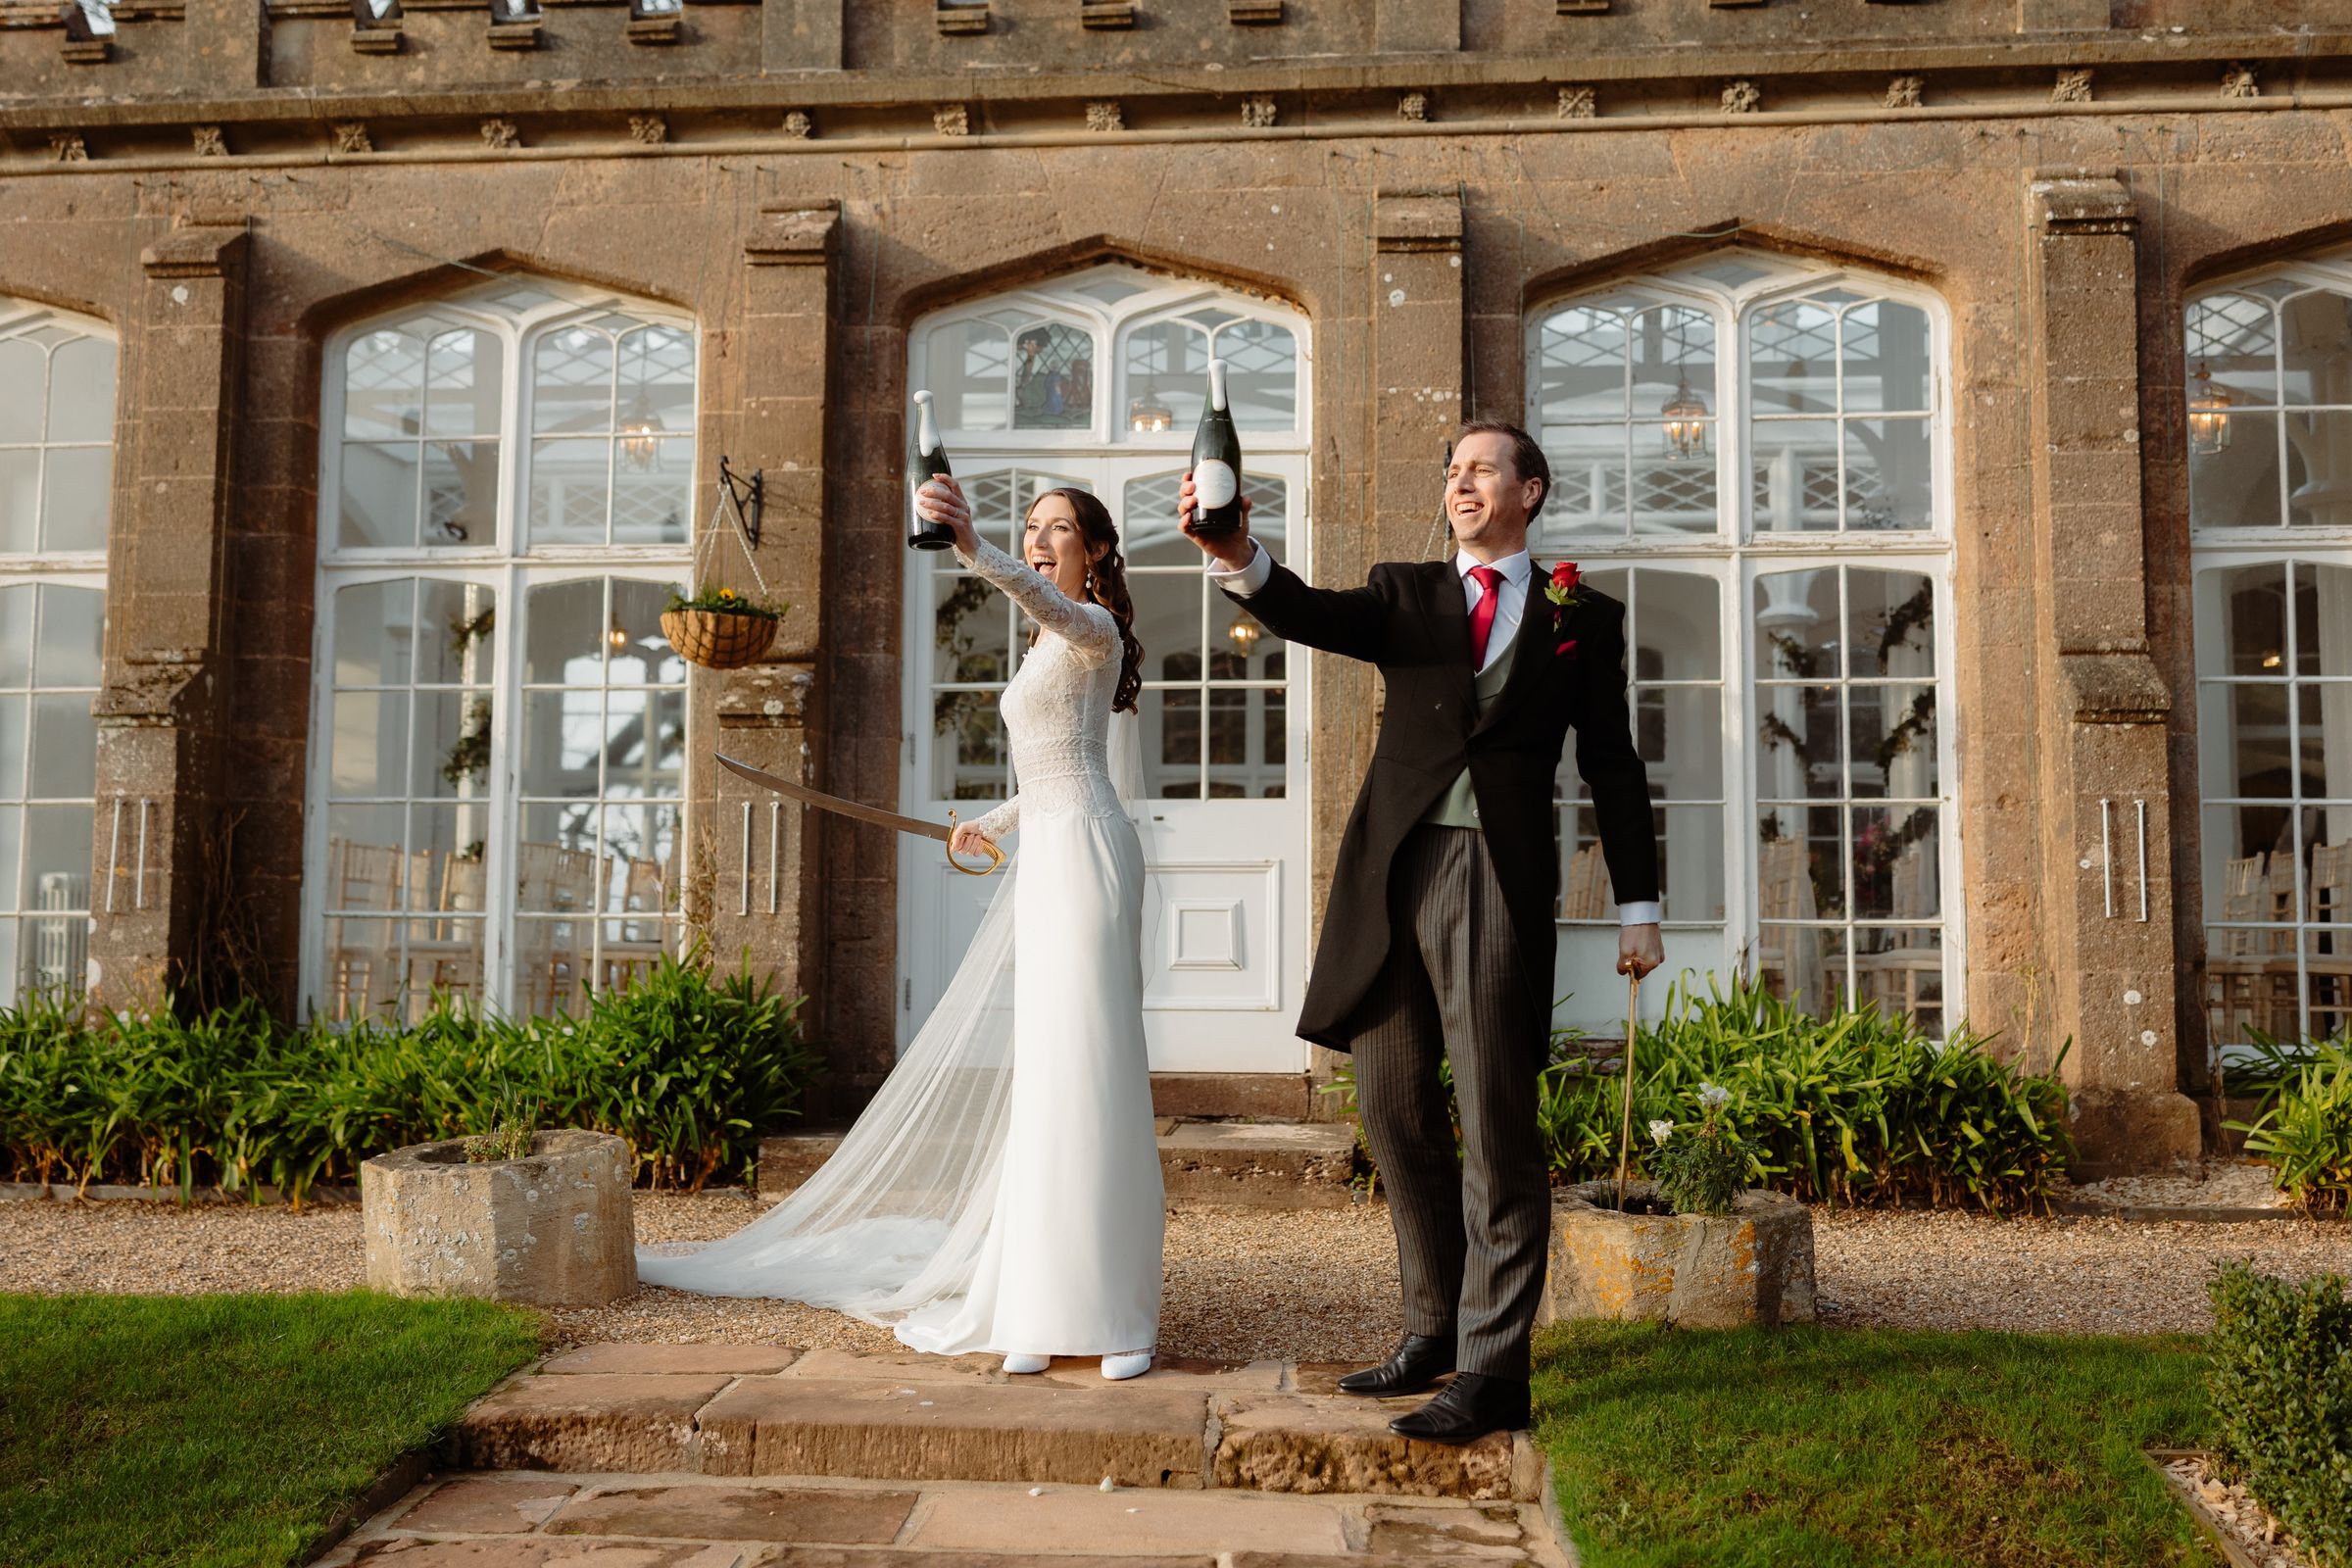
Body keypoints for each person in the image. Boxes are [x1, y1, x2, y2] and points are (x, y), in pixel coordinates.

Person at [1177, 421, 1663, 1444]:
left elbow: (1612, 764)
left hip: (1496, 875)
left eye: (1481, 468)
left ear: (1531, 488)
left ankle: (1495, 1369)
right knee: (1393, 1105)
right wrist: (1236, 557)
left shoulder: (1585, 617)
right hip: (1391, 874)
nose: (1461, 482)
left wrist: (1638, 906)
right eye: (1450, 470)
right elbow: (1307, 611)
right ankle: (1433, 1324)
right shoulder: (1407, 594)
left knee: (1493, 1119)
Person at [637, 482, 1163, 1383]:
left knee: (1093, 1067)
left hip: (1089, 857)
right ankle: (1039, 1300)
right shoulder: (1047, 642)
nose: (1039, 541)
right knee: (1044, 1077)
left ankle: (1118, 1315)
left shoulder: (1090, 630)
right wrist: (988, 830)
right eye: (1029, 527)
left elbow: (1062, 694)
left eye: (1058, 529)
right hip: (1044, 851)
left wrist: (972, 548)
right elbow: (1049, 769)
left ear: (1098, 552)